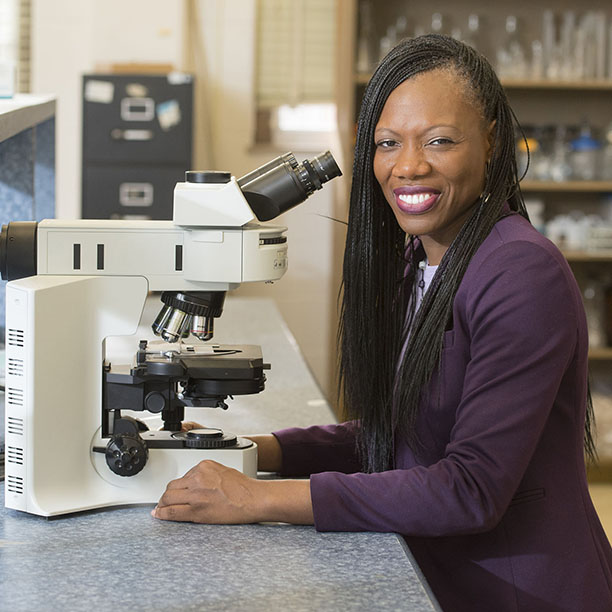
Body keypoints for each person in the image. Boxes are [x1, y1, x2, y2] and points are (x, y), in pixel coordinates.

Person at [151, 34, 612, 611]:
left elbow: (470, 489)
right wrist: (250, 450)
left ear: (492, 142)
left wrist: (257, 499)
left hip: (519, 592)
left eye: (439, 140)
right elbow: (401, 439)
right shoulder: (420, 261)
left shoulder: (521, 272)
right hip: (437, 574)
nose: (408, 166)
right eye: (388, 143)